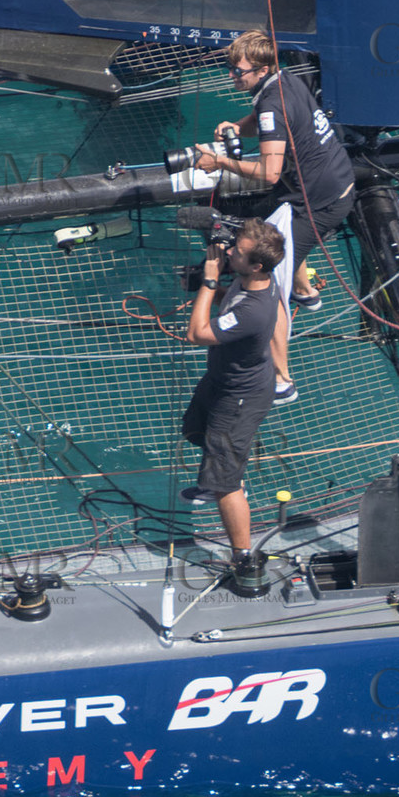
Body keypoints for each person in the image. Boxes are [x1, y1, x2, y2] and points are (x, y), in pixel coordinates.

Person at [195, 30, 355, 405]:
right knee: (275, 229)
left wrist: (218, 160)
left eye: (239, 71)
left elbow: (269, 172)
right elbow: (259, 116)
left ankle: (282, 380)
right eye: (230, 69)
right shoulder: (285, 81)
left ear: (262, 68)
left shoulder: (271, 106)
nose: (233, 76)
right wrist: (237, 126)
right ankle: (307, 293)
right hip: (335, 182)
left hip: (315, 203)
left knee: (269, 288)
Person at [180, 218, 284, 588]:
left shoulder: (254, 309)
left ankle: (244, 557)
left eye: (235, 252)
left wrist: (208, 282)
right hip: (222, 381)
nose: (227, 253)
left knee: (226, 480)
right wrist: (219, 289)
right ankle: (219, 480)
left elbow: (196, 334)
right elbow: (233, 300)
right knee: (194, 429)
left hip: (240, 396)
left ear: (256, 264)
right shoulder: (253, 280)